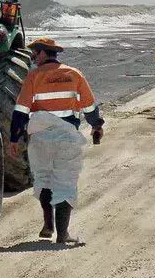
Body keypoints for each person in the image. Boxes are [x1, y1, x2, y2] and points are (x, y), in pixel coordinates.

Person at [9, 37, 105, 243]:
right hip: (67, 138)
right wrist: (97, 126)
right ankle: (63, 233)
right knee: (65, 181)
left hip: (41, 137)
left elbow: (21, 111)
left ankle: (48, 224)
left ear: (43, 53)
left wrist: (14, 139)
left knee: (44, 178)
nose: (33, 57)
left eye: (35, 52)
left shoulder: (33, 77)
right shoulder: (74, 74)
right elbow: (89, 108)